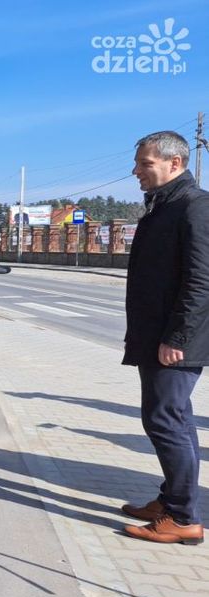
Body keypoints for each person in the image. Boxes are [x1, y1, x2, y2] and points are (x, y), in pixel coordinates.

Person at [120, 131, 209, 545]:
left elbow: (201, 281)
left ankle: (181, 517)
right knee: (173, 420)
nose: (136, 171)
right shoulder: (165, 204)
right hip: (158, 334)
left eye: (145, 164)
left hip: (175, 339)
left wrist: (178, 336)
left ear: (175, 164)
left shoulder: (194, 206)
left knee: (165, 421)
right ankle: (172, 499)